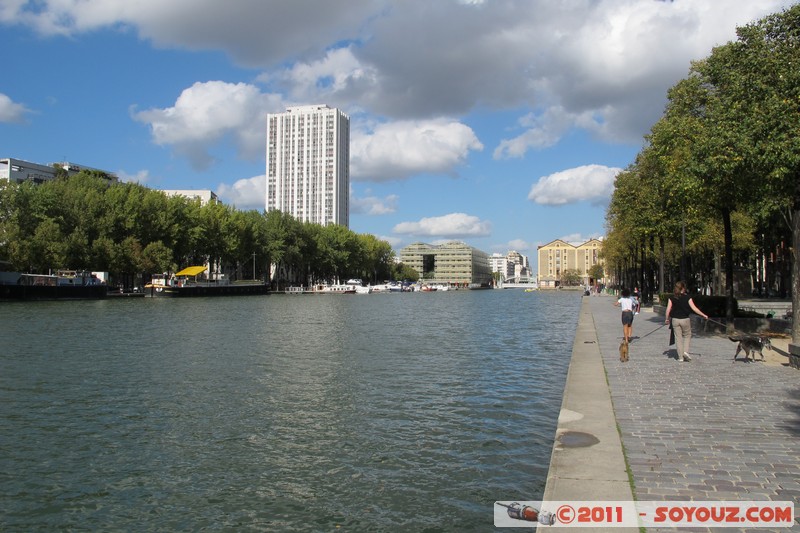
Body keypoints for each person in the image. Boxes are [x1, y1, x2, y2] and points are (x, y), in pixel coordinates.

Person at [664, 281, 709, 362]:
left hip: (675, 320)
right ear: (683, 289)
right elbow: (694, 308)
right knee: (687, 335)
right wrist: (703, 315)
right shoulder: (688, 297)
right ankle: (685, 352)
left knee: (678, 338)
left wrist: (667, 319)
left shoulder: (672, 298)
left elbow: (668, 309)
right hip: (685, 319)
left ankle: (680, 357)